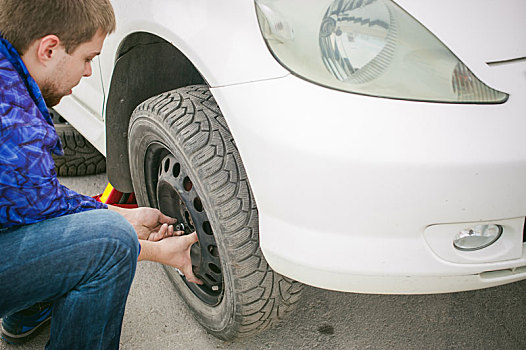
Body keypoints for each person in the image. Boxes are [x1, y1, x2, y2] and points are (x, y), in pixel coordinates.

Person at [0, 0, 201, 348]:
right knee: (110, 243)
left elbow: (37, 202)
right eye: (88, 58)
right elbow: (72, 227)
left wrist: (124, 213)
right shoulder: (15, 127)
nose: (90, 72)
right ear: (49, 49)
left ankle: (24, 314)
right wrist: (151, 247)